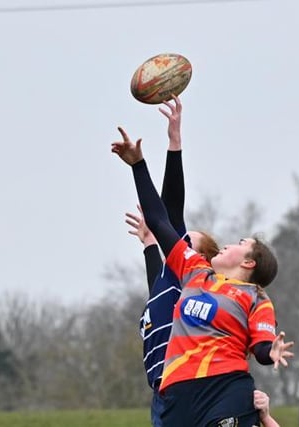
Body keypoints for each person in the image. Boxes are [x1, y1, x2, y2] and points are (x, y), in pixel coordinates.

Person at [111, 117, 294, 427]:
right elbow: (160, 220)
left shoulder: (254, 297)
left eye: (240, 242)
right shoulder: (194, 273)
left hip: (224, 387)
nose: (229, 244)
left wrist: (270, 351)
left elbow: (261, 346)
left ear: (249, 262)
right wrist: (138, 165)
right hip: (175, 393)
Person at [126, 96, 219, 427]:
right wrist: (150, 245)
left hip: (186, 391)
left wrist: (174, 142)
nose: (180, 243)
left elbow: (171, 210)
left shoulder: (193, 278)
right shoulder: (170, 285)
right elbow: (156, 292)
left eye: (188, 241)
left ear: (202, 258)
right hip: (162, 397)